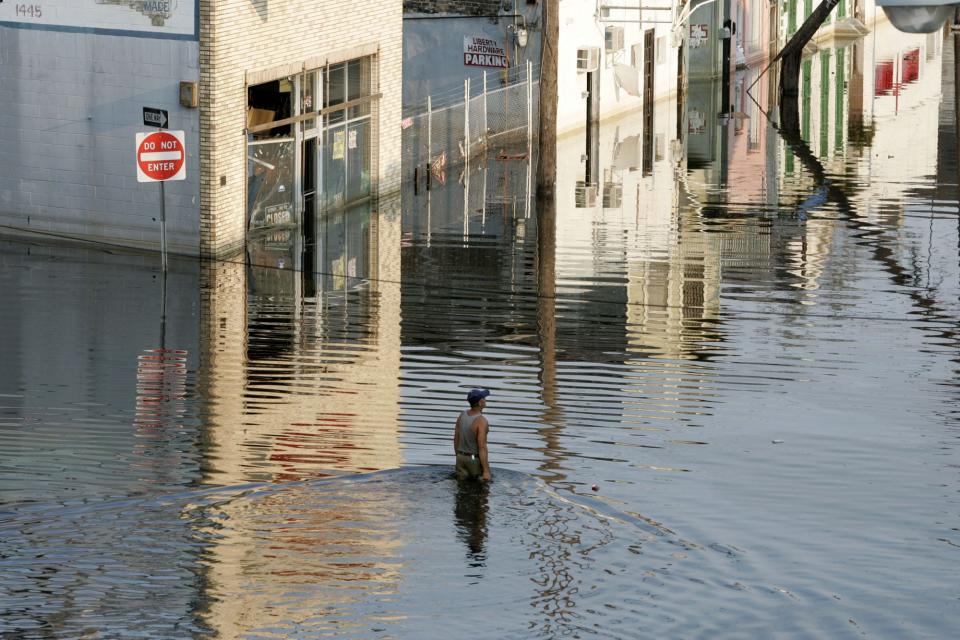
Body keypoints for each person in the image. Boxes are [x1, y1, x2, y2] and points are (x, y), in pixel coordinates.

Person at [453, 388, 491, 482]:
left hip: (460, 457)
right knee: (481, 487)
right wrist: (486, 471)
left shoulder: (462, 415)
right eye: (484, 398)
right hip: (473, 459)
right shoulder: (481, 421)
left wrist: (458, 455)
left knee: (461, 487)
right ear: (480, 402)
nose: (485, 400)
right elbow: (482, 447)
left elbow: (455, 438)